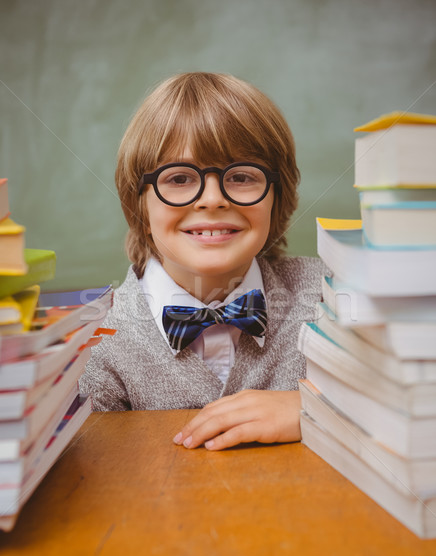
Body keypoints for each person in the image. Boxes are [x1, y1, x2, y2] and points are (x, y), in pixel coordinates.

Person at [79, 72, 327, 451]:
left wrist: (320, 411)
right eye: (178, 178)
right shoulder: (92, 346)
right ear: (139, 202)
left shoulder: (334, 293)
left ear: (277, 195)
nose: (212, 199)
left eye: (242, 176)